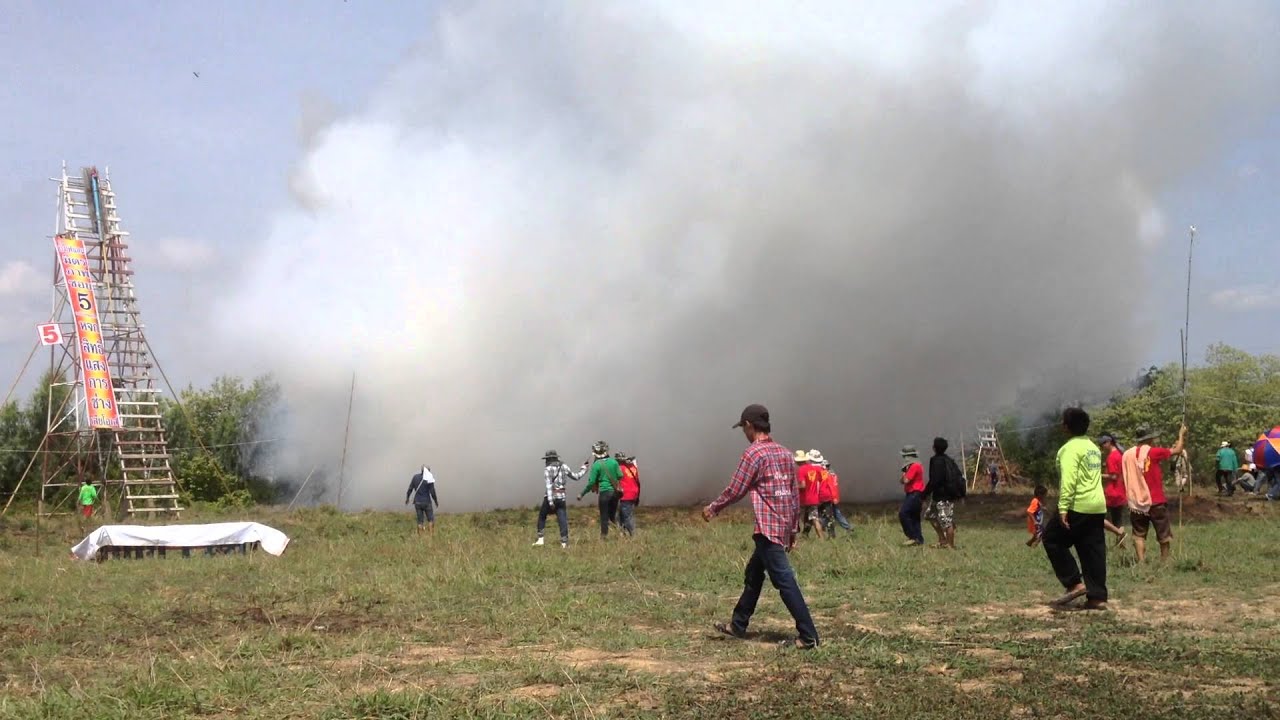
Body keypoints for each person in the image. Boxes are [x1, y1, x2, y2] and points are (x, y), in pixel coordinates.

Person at [704, 404, 819, 650]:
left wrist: (713, 508)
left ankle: (808, 636)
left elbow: (736, 489)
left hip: (768, 527)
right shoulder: (785, 453)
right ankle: (738, 624)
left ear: (748, 425)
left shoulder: (753, 454)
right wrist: (793, 530)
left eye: (743, 428)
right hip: (780, 525)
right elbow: (793, 496)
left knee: (784, 580)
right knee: (754, 574)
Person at [1044, 407, 1108, 611]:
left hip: (1077, 504)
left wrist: (1063, 508)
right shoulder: (1093, 448)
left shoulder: (1069, 449)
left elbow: (1069, 480)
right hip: (1097, 505)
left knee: (1052, 539)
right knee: (1092, 550)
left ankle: (1074, 583)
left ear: (1065, 427)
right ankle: (1097, 597)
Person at [1122, 424, 1187, 563]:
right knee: (1163, 534)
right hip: (1156, 500)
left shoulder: (1127, 454)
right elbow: (1178, 449)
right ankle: (1164, 562)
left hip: (1136, 502)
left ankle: (1141, 562)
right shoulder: (1154, 452)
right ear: (1150, 439)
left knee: (1139, 534)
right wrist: (1181, 434)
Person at [534, 450, 585, 548]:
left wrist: (550, 501)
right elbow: (576, 476)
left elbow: (549, 486)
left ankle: (540, 539)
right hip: (562, 497)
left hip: (551, 496)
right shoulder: (564, 466)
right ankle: (564, 543)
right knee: (562, 519)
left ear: (549, 459)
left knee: (542, 516)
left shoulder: (548, 469)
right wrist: (583, 469)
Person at [923, 437, 963, 549]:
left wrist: (924, 493)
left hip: (944, 497)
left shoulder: (936, 460)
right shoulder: (949, 460)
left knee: (946, 521)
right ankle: (942, 540)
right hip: (940, 496)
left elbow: (934, 480)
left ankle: (950, 545)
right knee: (930, 515)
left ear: (934, 448)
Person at [579, 441, 622, 539]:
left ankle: (604, 537)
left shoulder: (596, 465)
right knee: (612, 516)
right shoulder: (614, 462)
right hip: (615, 493)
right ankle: (620, 533)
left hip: (604, 494)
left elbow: (591, 482)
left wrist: (582, 493)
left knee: (604, 517)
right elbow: (620, 475)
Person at [1095, 433, 1129, 547]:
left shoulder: (1112, 457)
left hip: (1113, 492)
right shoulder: (1119, 454)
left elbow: (1113, 476)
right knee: (1118, 519)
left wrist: (1098, 475)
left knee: (1099, 518)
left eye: (1102, 445)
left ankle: (1118, 534)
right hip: (1120, 491)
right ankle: (1121, 542)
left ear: (1108, 443)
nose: (1101, 448)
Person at [898, 445, 926, 546]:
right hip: (914, 494)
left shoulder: (914, 466)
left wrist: (904, 475)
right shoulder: (915, 466)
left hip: (914, 494)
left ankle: (912, 536)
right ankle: (919, 539)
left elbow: (905, 480)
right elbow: (902, 481)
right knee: (914, 517)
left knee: (903, 513)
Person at [796, 450, 825, 539]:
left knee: (797, 516)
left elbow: (803, 485)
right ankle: (807, 536)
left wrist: (793, 487)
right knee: (810, 518)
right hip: (814, 498)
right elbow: (820, 479)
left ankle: (821, 538)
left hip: (805, 499)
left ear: (798, 461)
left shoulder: (801, 470)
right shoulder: (813, 468)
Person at [404, 466, 439, 535]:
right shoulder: (429, 479)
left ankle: (420, 538)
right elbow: (432, 492)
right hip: (427, 502)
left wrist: (407, 498)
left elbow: (410, 489)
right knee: (430, 519)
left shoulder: (415, 477)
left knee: (420, 521)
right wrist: (436, 501)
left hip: (417, 502)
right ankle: (431, 536)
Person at [823, 460, 854, 535]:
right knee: (836, 513)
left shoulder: (827, 474)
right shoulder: (833, 473)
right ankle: (848, 527)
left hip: (830, 497)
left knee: (829, 514)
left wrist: (833, 497)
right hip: (834, 496)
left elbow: (831, 487)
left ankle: (824, 529)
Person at [617, 453, 641, 537]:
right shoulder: (633, 467)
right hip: (634, 493)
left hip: (626, 494)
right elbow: (638, 481)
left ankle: (633, 535)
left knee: (627, 516)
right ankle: (622, 534)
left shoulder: (620, 468)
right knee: (620, 515)